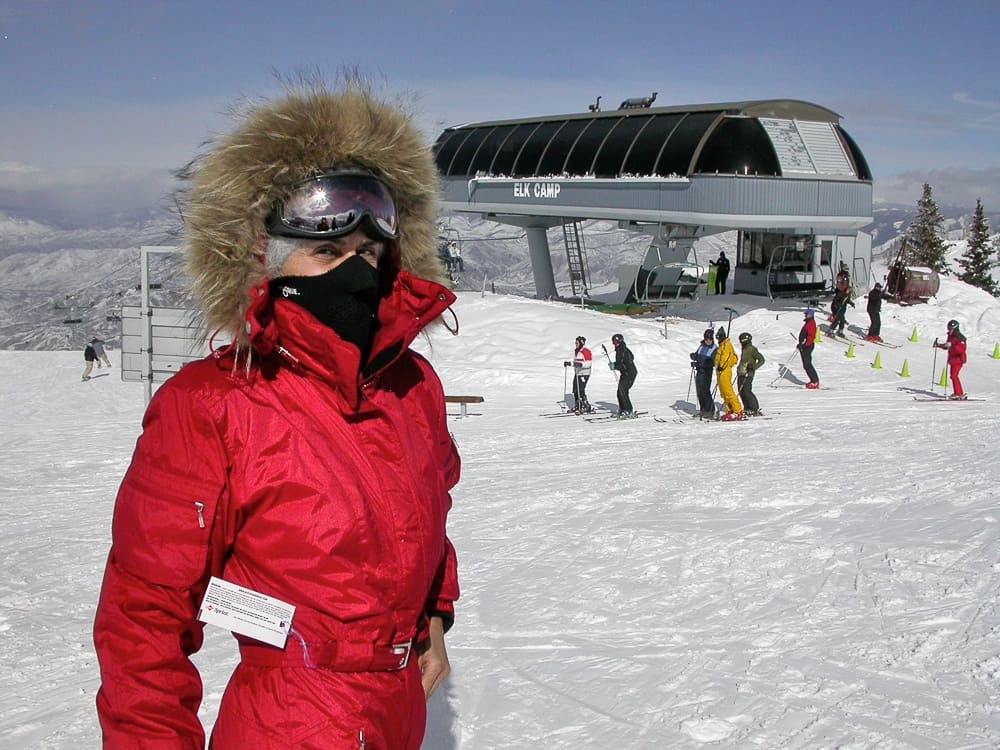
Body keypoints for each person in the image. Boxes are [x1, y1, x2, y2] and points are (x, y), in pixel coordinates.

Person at [93, 80, 461, 749]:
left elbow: (432, 513)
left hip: (397, 713)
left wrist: (433, 614)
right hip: (288, 724)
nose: (355, 275)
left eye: (371, 256)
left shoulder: (411, 387)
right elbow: (143, 621)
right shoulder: (213, 406)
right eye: (326, 253)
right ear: (261, 262)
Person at [934, 319, 968, 399]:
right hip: (953, 359)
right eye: (948, 328)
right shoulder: (950, 336)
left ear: (954, 328)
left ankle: (959, 394)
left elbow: (962, 349)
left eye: (950, 329)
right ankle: (959, 393)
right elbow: (947, 346)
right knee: (953, 376)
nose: (949, 330)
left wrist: (952, 346)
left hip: (959, 359)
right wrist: (939, 345)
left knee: (954, 376)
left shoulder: (960, 337)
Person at [713, 327, 742, 420]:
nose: (718, 340)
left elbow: (726, 356)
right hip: (720, 371)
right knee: (723, 393)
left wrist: (722, 366)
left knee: (728, 391)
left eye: (719, 337)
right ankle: (730, 409)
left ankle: (738, 411)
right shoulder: (721, 345)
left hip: (724, 371)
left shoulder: (726, 344)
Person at [608, 332, 638, 418]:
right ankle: (622, 409)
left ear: (620, 342)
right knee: (619, 392)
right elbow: (620, 363)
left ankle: (628, 410)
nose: (615, 344)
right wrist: (614, 364)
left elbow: (626, 364)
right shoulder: (619, 350)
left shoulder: (624, 351)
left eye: (616, 342)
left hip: (630, 373)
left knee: (623, 391)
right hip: (624, 373)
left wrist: (615, 366)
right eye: (613, 342)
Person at [690, 328, 717, 419]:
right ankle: (703, 410)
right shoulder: (701, 346)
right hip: (699, 370)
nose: (707, 341)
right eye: (706, 339)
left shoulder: (714, 348)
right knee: (699, 391)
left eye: (709, 339)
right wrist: (694, 356)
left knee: (705, 390)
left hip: (707, 371)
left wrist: (701, 363)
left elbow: (713, 361)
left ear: (712, 339)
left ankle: (710, 411)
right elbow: (698, 355)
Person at [736, 332, 765, 416]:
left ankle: (754, 408)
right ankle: (747, 408)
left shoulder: (752, 349)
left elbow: (761, 360)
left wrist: (753, 367)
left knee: (747, 390)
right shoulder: (744, 348)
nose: (741, 342)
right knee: (741, 391)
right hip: (741, 372)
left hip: (748, 373)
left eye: (742, 340)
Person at [564, 335, 593, 413]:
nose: (576, 344)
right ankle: (578, 405)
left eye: (577, 343)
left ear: (581, 343)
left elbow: (589, 363)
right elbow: (576, 363)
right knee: (575, 390)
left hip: (584, 373)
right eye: (575, 343)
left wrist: (580, 365)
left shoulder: (585, 351)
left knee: (580, 389)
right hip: (578, 373)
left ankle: (586, 405)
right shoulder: (577, 351)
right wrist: (569, 363)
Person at [798, 308, 820, 389]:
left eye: (806, 314)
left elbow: (810, 337)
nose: (805, 315)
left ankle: (815, 381)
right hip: (805, 346)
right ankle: (813, 380)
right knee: (806, 365)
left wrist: (804, 345)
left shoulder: (811, 323)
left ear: (811, 315)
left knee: (807, 365)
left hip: (808, 346)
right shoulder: (808, 322)